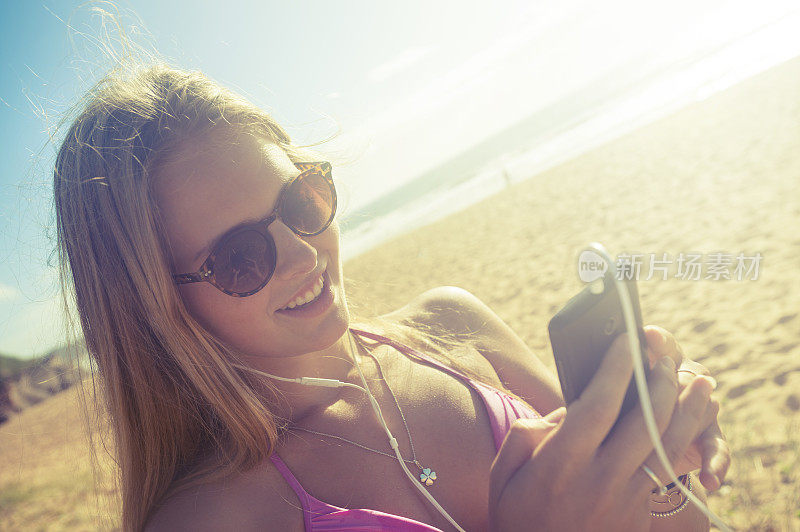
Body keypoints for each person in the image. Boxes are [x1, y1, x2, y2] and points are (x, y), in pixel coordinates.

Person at [53, 63, 729, 531]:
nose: (300, 251)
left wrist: (660, 459)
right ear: (156, 309)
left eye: (301, 198)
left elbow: (679, 522)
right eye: (239, 259)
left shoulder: (454, 326)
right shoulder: (212, 521)